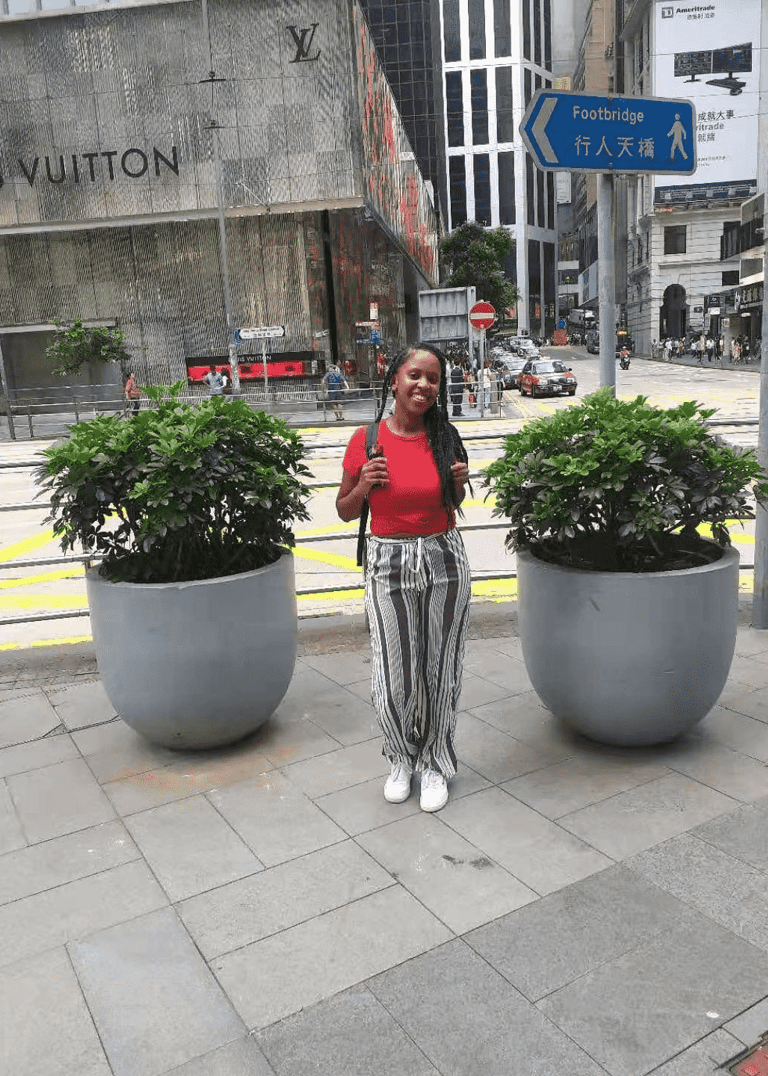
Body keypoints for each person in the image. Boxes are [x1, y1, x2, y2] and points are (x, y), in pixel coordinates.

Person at [335, 343, 472, 813]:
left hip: (443, 558)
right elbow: (343, 509)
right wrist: (364, 484)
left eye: (433, 379)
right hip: (387, 561)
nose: (424, 386)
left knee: (441, 667)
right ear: (394, 379)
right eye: (416, 375)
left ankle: (435, 762)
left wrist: (457, 482)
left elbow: (452, 507)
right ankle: (401, 757)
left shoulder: (444, 435)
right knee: (393, 674)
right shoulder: (366, 437)